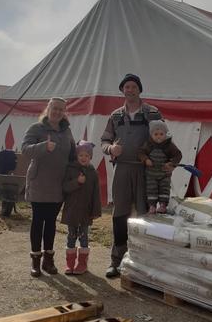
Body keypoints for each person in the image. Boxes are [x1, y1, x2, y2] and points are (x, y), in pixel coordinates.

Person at [101, 73, 162, 278]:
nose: (129, 90)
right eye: (126, 87)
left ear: (139, 89)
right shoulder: (115, 116)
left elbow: (163, 140)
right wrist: (111, 149)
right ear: (122, 90)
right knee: (120, 214)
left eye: (133, 87)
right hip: (123, 168)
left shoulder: (152, 113)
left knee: (145, 214)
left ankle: (144, 262)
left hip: (145, 169)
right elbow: (104, 141)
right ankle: (116, 261)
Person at [22, 97, 76, 278]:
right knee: (38, 221)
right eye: (55, 108)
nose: (58, 112)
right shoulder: (36, 128)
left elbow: (73, 155)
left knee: (51, 222)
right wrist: (44, 146)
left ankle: (48, 261)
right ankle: (35, 261)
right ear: (48, 109)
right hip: (39, 183)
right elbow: (25, 150)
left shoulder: (66, 131)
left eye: (61, 109)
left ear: (64, 112)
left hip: (58, 185)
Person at [61, 140, 102, 275]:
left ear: (90, 157)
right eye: (81, 155)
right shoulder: (70, 169)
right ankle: (70, 264)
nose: (83, 158)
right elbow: (65, 187)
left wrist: (96, 211)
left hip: (86, 211)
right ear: (77, 156)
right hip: (72, 210)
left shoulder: (93, 173)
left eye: (87, 156)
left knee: (84, 237)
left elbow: (96, 193)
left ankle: (82, 264)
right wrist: (77, 182)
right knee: (71, 236)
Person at [138, 119, 182, 214]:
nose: (158, 137)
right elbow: (141, 152)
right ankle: (152, 206)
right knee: (151, 189)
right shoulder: (148, 144)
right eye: (156, 134)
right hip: (151, 174)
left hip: (164, 173)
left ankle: (163, 205)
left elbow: (178, 155)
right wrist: (146, 159)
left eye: (161, 134)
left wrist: (171, 163)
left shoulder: (169, 145)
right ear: (151, 135)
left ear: (165, 134)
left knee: (164, 189)